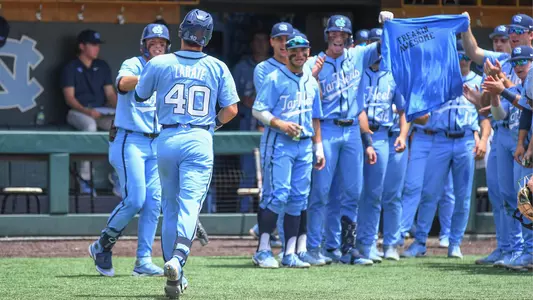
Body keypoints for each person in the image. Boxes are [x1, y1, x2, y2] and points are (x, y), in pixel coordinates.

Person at [134, 9, 239, 298]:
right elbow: (231, 110)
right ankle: (178, 259)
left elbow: (140, 95)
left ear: (181, 32)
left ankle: (174, 280)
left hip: (166, 136)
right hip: (199, 136)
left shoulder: (160, 62)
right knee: (190, 202)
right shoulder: (217, 66)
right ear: (207, 37)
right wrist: (212, 125)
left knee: (169, 206)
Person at [305, 11, 393, 266]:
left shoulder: (357, 55)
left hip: (353, 129)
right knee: (321, 193)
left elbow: (385, 47)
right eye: (333, 33)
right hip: (328, 129)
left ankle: (347, 248)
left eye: (343, 34)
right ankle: (316, 247)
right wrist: (312, 77)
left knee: (352, 193)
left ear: (348, 37)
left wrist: (386, 24)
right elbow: (302, 94)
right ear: (326, 35)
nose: (338, 37)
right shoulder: (314, 63)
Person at [88, 23, 170, 278]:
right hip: (129, 139)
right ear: (144, 45)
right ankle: (102, 245)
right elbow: (122, 84)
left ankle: (143, 260)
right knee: (135, 199)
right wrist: (151, 75)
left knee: (153, 202)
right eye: (152, 41)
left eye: (162, 42)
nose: (157, 45)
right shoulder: (134, 63)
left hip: (156, 142)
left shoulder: (170, 69)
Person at [402, 40, 490, 259]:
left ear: (470, 58)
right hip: (440, 139)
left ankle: (455, 243)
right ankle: (420, 242)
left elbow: (486, 116)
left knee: (462, 196)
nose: (462, 59)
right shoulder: (437, 80)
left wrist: (483, 139)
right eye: (458, 56)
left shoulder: (479, 81)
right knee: (429, 192)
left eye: (465, 56)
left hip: (465, 140)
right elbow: (421, 111)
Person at [251, 32, 324, 268]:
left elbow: (315, 117)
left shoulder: (311, 81)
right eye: (295, 50)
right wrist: (280, 124)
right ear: (287, 53)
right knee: (277, 195)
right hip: (279, 142)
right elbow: (258, 110)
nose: (299, 55)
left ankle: (289, 253)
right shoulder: (274, 77)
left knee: (298, 199)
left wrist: (318, 147)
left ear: (308, 53)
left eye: (304, 51)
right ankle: (262, 250)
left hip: (304, 144)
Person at [356, 28, 408, 262]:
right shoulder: (357, 72)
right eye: (375, 44)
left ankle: (386, 244)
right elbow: (358, 110)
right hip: (360, 135)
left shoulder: (392, 73)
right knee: (360, 193)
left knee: (386, 194)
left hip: (384, 134)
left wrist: (404, 135)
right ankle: (361, 243)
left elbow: (404, 110)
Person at [483, 45, 533, 271]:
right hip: (524, 146)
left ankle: (528, 252)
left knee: (527, 196)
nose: (519, 65)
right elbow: (527, 113)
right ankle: (526, 252)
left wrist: (501, 88)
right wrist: (523, 143)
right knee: (523, 197)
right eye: (516, 62)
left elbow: (526, 104)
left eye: (524, 61)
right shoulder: (525, 83)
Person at [248, 22, 295, 250]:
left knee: (295, 195)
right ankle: (264, 244)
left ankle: (291, 245)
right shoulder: (264, 69)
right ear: (272, 42)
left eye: (288, 39)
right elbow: (269, 104)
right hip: (274, 135)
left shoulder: (302, 68)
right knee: (272, 193)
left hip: (298, 139)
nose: (284, 43)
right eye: (280, 39)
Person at [61, 29, 119, 197]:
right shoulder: (71, 68)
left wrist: (121, 110)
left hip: (100, 112)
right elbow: (69, 98)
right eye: (93, 45)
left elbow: (110, 95)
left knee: (120, 125)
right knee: (89, 125)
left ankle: (118, 176)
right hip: (77, 113)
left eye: (97, 45)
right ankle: (85, 181)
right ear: (81, 46)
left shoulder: (102, 66)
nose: (96, 48)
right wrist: (87, 111)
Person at [232, 30, 270, 213]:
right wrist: (241, 99)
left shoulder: (276, 67)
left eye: (264, 40)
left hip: (270, 127)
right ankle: (245, 214)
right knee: (247, 175)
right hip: (247, 124)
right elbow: (227, 96)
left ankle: (267, 215)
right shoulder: (242, 67)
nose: (261, 44)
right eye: (258, 39)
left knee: (270, 176)